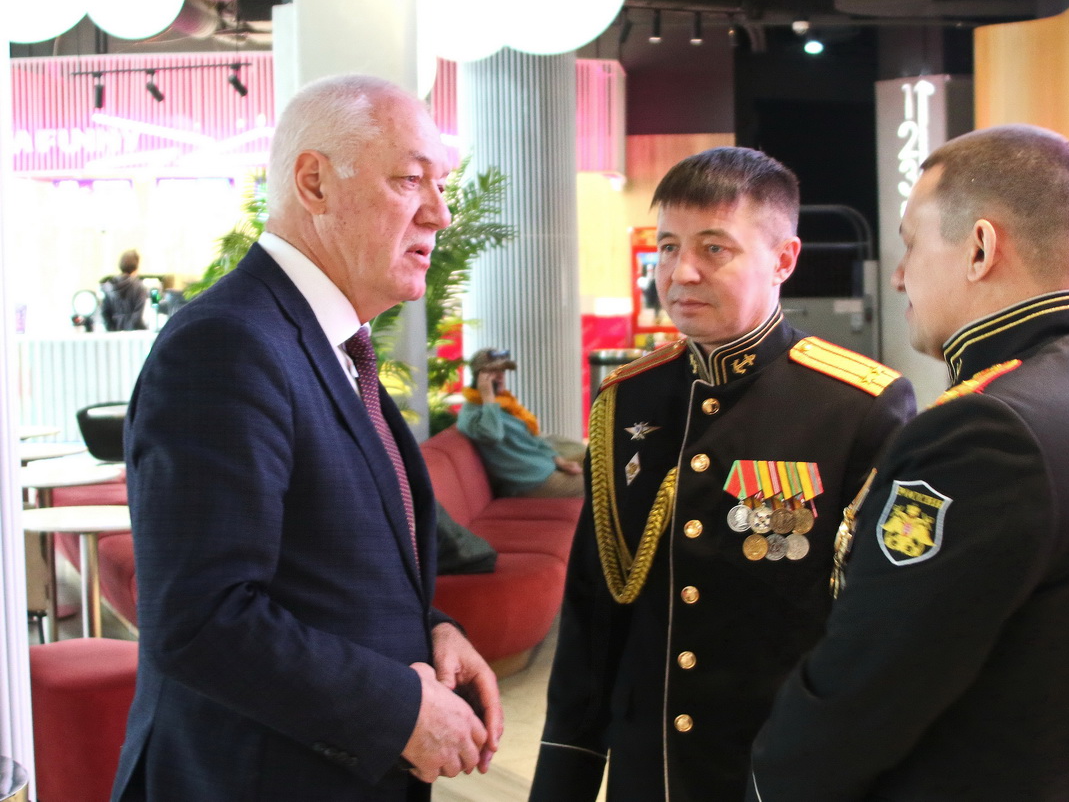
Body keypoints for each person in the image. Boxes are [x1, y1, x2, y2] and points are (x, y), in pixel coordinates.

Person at [748, 124, 1069, 801]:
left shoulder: (984, 430)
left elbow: (865, 690)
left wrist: (768, 779)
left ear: (980, 248)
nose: (899, 274)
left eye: (912, 244)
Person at [110, 74, 503, 802]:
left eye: (442, 184)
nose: (441, 212)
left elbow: (325, 569)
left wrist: (433, 631)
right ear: (314, 182)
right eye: (410, 180)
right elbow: (202, 617)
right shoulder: (227, 344)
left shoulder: (325, 342)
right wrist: (400, 709)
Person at [530, 146, 916, 802]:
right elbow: (594, 611)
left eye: (714, 248)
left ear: (784, 260)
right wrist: (563, 779)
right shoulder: (628, 401)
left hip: (779, 772)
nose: (681, 272)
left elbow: (878, 632)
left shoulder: (857, 407)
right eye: (668, 247)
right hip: (649, 771)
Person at [456, 348, 584, 498]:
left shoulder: (505, 404)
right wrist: (488, 399)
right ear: (479, 377)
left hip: (544, 466)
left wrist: (560, 461)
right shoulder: (471, 414)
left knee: (599, 456)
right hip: (530, 482)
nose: (501, 376)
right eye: (494, 371)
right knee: (602, 482)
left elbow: (533, 438)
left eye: (502, 371)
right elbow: (492, 434)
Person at [100, 248, 148, 331]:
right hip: (135, 333)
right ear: (136, 265)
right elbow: (138, 315)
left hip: (114, 332)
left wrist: (112, 330)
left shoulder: (109, 286)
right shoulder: (139, 286)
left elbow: (104, 313)